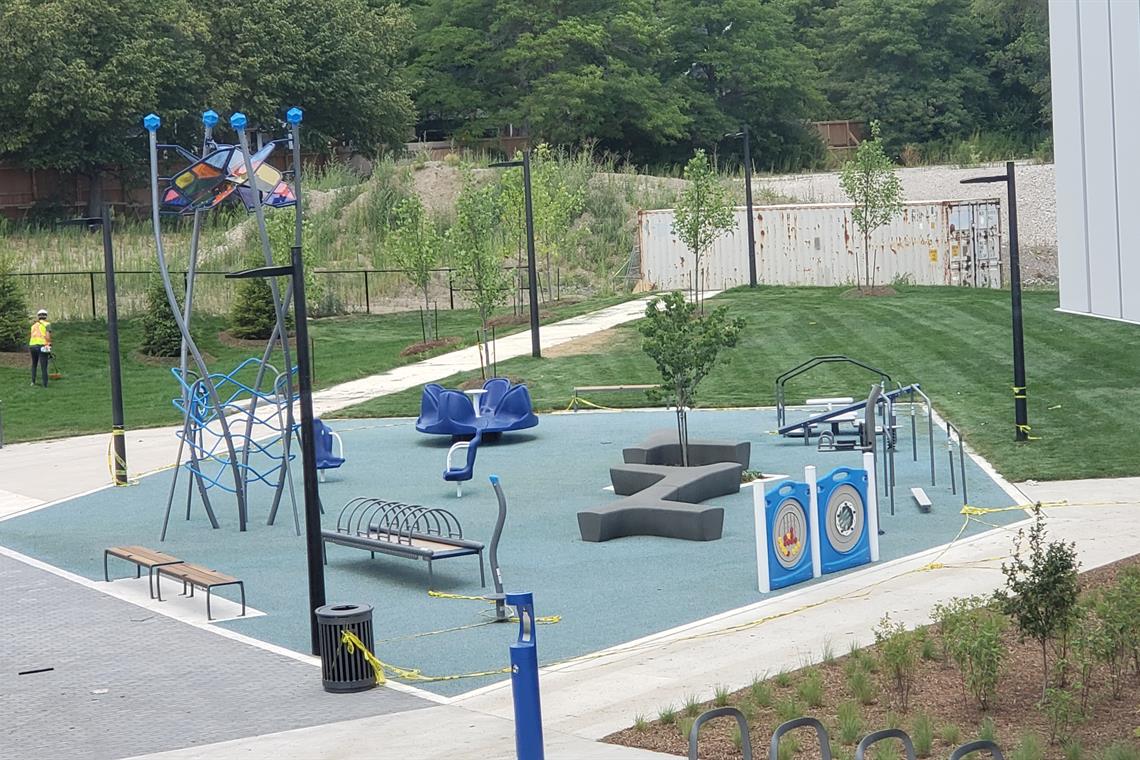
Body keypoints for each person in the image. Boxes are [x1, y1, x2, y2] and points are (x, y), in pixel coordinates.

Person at [28, 308, 52, 387]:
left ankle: (33, 382)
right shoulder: (47, 324)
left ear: (38, 316)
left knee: (34, 364)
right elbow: (47, 336)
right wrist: (49, 343)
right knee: (44, 365)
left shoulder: (33, 326)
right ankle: (45, 384)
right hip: (42, 346)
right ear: (46, 316)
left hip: (32, 345)